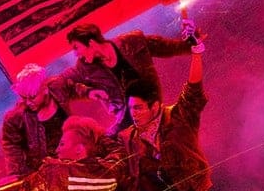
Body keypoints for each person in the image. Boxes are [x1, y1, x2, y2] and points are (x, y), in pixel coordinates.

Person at [110, 22, 211, 191]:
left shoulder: (177, 118)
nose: (134, 114)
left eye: (138, 108)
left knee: (150, 171)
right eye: (131, 109)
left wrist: (196, 53)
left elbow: (193, 90)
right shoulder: (128, 138)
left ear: (154, 106)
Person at [51, 21, 192, 135]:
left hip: (152, 109)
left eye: (76, 47)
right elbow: (60, 84)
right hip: (126, 119)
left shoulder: (131, 41)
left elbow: (165, 47)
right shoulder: (84, 67)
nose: (76, 54)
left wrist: (191, 43)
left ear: (91, 43)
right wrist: (88, 92)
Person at [2, 63, 93, 176]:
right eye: (24, 97)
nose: (28, 102)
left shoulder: (57, 88)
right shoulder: (16, 117)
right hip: (47, 170)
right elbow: (11, 146)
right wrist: (19, 173)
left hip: (74, 158)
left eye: (32, 97)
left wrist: (89, 92)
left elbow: (73, 88)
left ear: (45, 89)